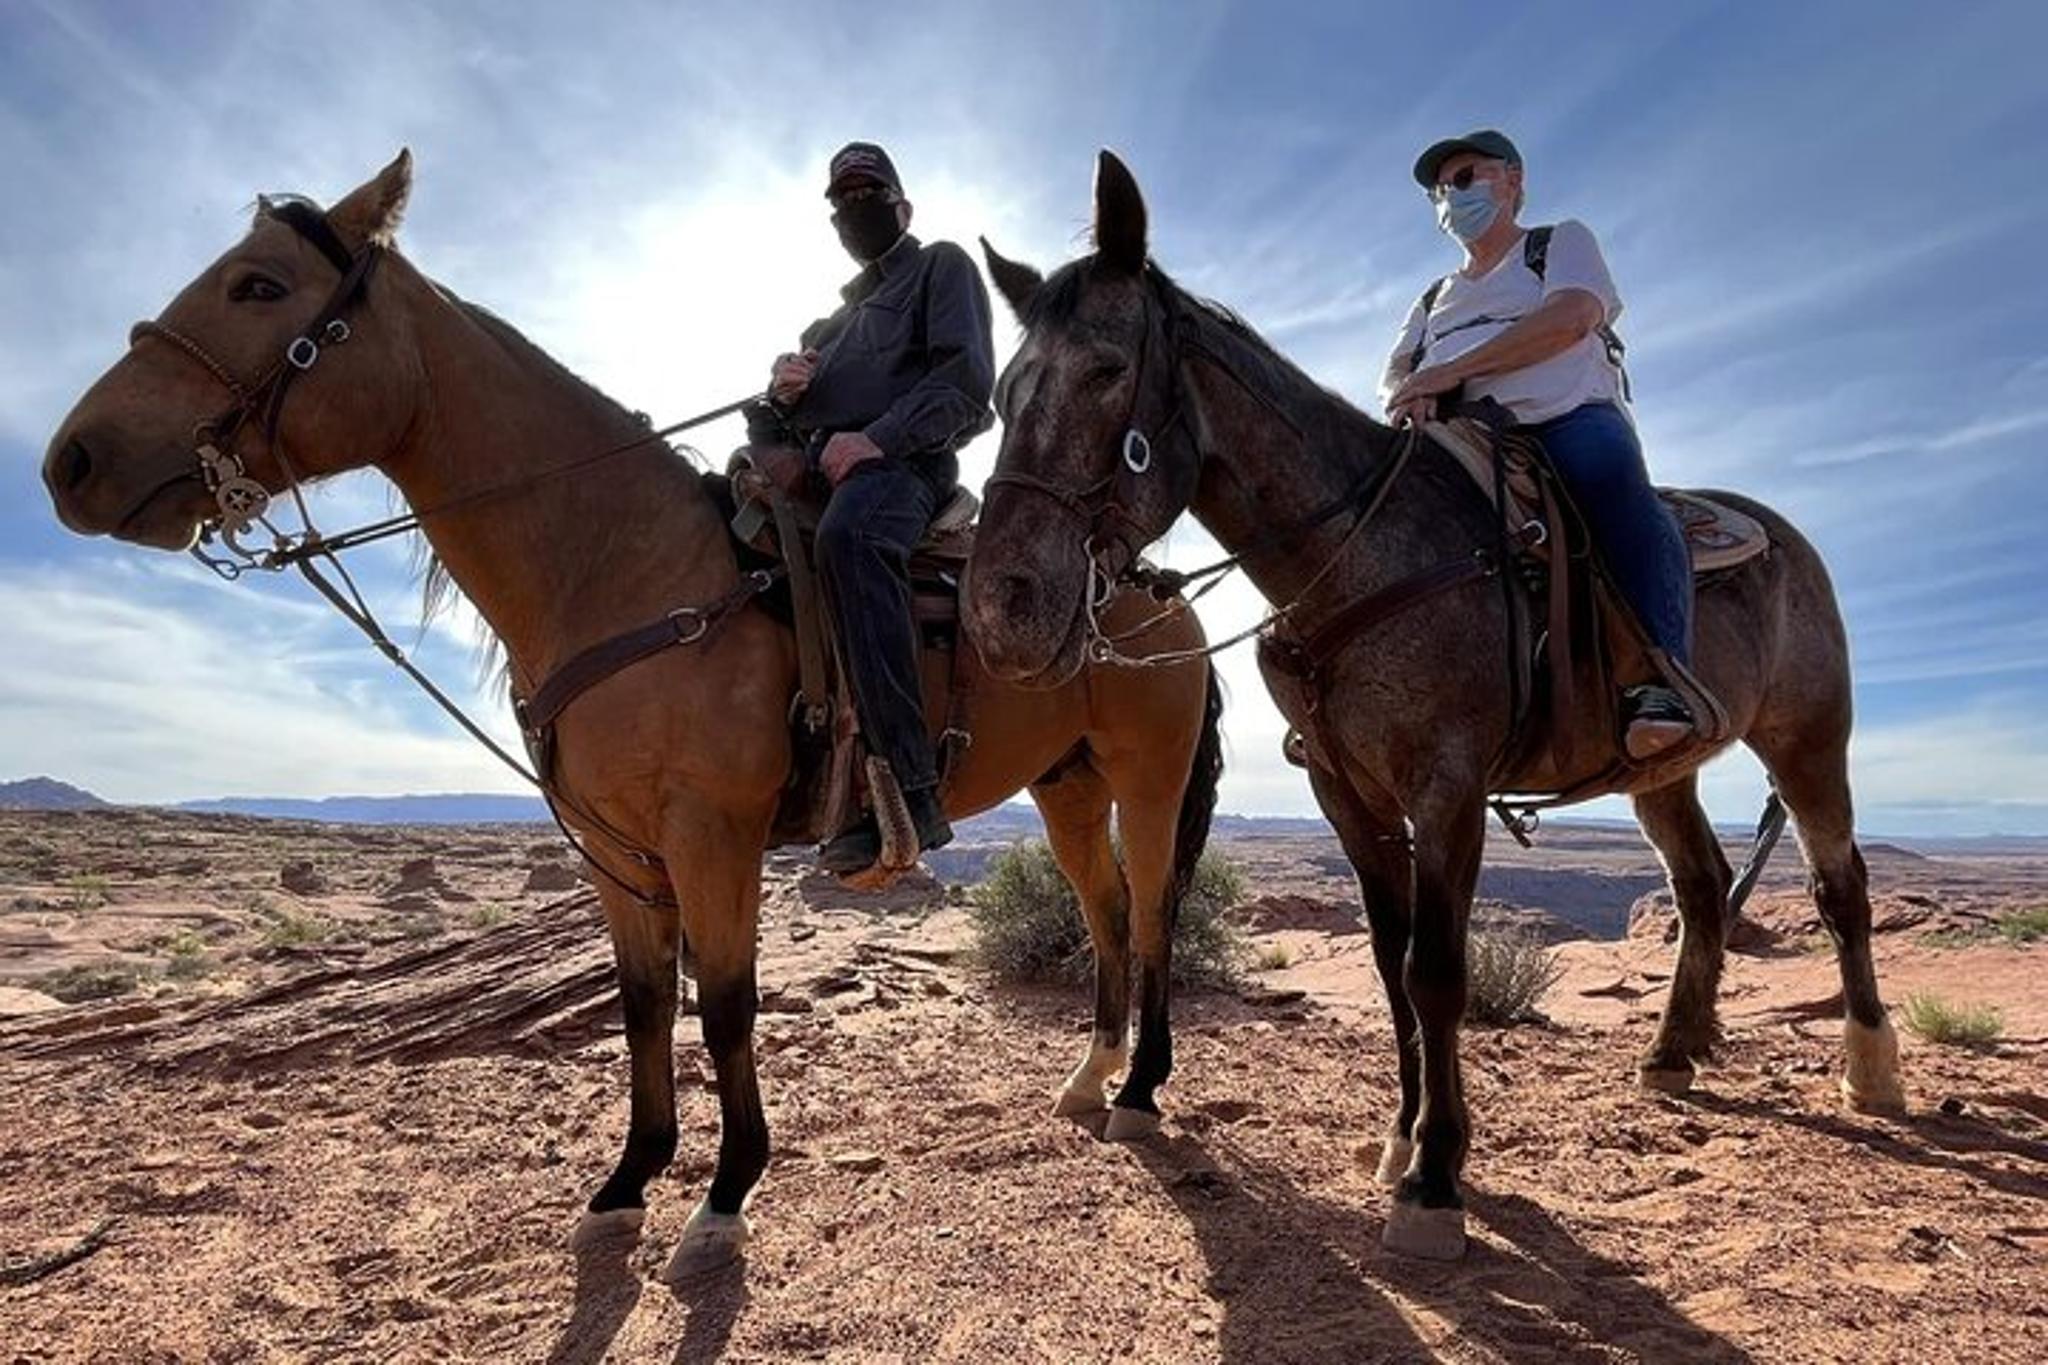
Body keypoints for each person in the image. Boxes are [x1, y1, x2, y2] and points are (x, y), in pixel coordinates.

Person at [1379, 128, 1696, 759]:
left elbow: (1573, 315)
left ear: (1513, 180)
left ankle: (1660, 680)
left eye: (1466, 178)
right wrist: (1408, 392)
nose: (1451, 195)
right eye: (1441, 190)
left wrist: (1447, 372)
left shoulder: (1557, 245)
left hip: (1564, 417)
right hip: (1456, 435)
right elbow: (1396, 369)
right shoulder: (1431, 297)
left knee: (1615, 488)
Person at [747, 141, 997, 871]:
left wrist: (878, 439)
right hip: (820, 477)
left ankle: (908, 790)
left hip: (906, 472)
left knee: (853, 540)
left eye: (868, 196)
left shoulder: (940, 268)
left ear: (902, 206)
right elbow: (779, 432)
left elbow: (966, 386)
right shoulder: (824, 331)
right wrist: (777, 398)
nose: (853, 211)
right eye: (841, 202)